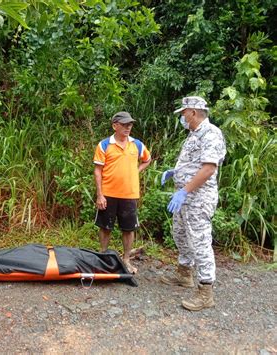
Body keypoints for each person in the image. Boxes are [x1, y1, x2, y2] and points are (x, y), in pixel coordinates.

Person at [161, 96, 226, 311]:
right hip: (186, 196)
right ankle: (184, 274)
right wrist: (175, 173)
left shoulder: (211, 133)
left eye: (183, 113)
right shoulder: (193, 134)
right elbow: (193, 163)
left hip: (198, 198)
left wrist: (184, 191)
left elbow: (208, 169)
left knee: (199, 241)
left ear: (194, 113)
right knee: (179, 233)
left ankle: (205, 291)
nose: (182, 116)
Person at [93, 111, 152, 274]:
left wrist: (136, 170)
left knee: (128, 228)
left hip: (129, 194)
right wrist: (100, 194)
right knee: (105, 227)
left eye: (130, 124)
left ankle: (126, 259)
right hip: (108, 193)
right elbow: (97, 171)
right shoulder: (104, 145)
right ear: (115, 126)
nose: (128, 127)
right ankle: (103, 257)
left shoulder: (137, 144)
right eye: (124, 124)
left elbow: (147, 159)